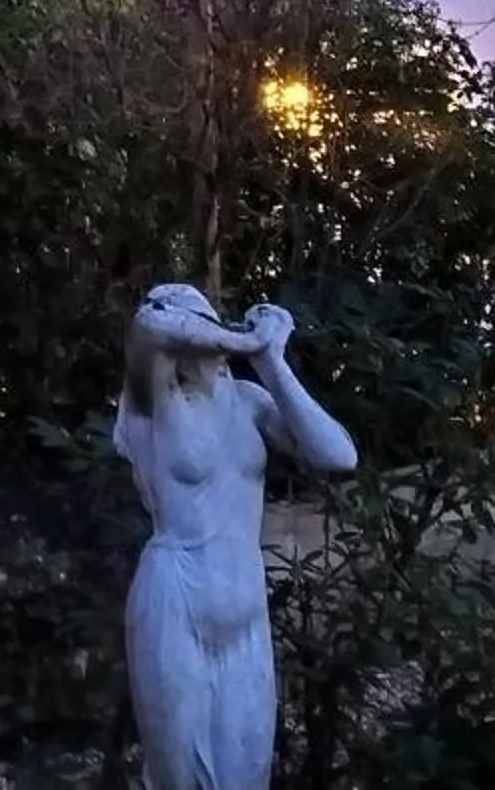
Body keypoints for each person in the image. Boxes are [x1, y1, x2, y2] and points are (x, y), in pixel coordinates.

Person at [113, 284, 358, 790]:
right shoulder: (152, 398)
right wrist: (247, 341)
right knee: (175, 780)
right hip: (175, 601)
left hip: (245, 614)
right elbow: (150, 324)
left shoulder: (248, 401)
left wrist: (272, 362)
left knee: (247, 775)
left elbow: (338, 456)